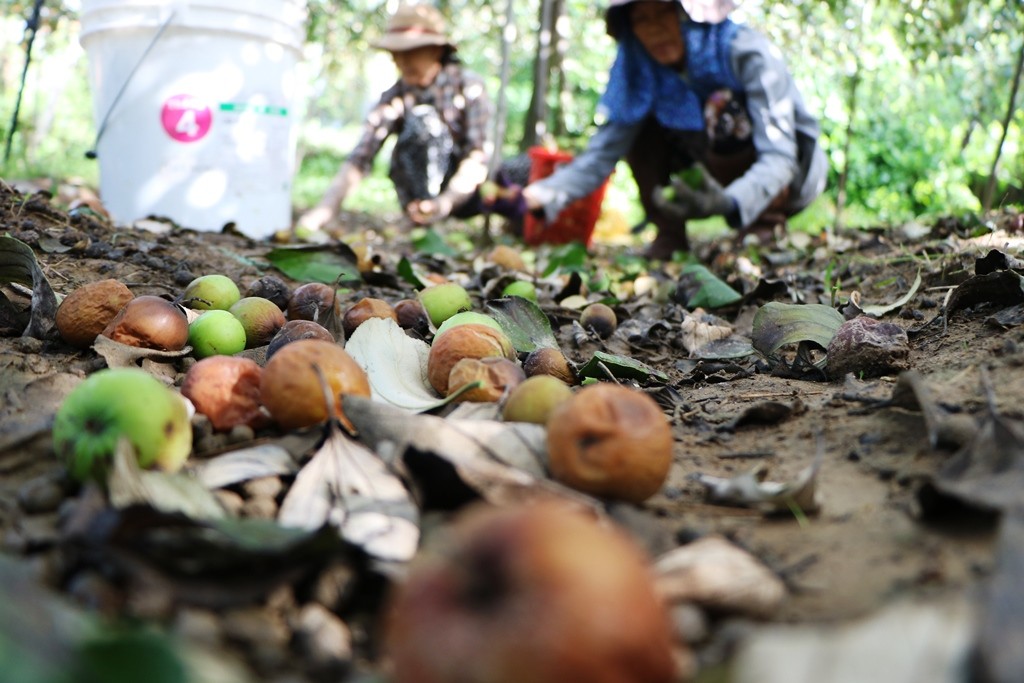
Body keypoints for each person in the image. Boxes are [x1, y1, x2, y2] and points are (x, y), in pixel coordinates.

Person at [519, 0, 827, 260]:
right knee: (636, 121)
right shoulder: (639, 73)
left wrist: (729, 201)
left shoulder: (744, 51)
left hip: (787, 178)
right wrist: (542, 195)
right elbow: (602, 154)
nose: (654, 28)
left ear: (689, 12)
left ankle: (763, 226)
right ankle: (669, 233)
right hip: (702, 174)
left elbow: (780, 154)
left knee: (722, 107)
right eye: (641, 18)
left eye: (663, 11)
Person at [296, 4, 493, 237]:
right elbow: (362, 154)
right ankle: (422, 218)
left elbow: (476, 157)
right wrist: (324, 209)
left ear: (435, 51)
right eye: (395, 52)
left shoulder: (468, 87)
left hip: (464, 191)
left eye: (410, 51)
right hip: (422, 195)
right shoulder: (396, 95)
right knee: (420, 121)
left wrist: (446, 201)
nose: (399, 59)